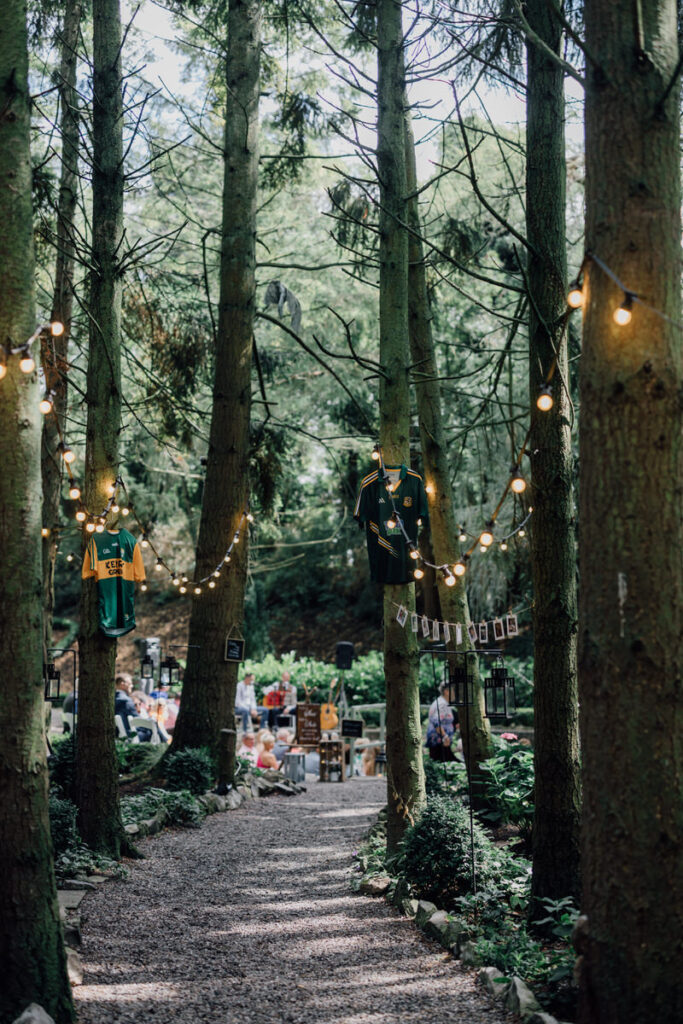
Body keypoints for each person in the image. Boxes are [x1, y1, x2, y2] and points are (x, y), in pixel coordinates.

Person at [425, 683, 456, 761]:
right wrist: (445, 736)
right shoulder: (442, 704)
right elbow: (436, 721)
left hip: (439, 742)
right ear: (446, 691)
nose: (455, 694)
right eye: (453, 691)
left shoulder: (440, 701)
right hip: (440, 742)